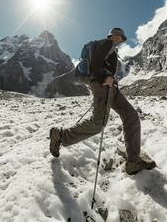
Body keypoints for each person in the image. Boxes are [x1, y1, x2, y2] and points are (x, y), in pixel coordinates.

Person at [49, 28, 156, 175]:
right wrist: (102, 79)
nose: (120, 41)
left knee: (131, 116)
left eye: (122, 39)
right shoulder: (107, 43)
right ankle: (60, 135)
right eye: (119, 37)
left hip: (111, 89)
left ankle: (133, 161)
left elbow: (101, 64)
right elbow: (97, 62)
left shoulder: (109, 48)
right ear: (113, 35)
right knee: (98, 123)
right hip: (103, 86)